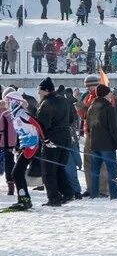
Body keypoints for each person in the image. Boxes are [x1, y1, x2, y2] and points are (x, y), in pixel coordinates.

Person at [35, 77, 73, 206]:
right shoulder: (64, 100)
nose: (38, 93)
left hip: (51, 140)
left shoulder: (46, 103)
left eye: (40, 91)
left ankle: (54, 198)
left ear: (46, 90)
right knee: (60, 168)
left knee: (48, 171)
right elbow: (72, 118)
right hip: (66, 139)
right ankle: (67, 193)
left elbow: (41, 125)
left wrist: (44, 139)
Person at [2, 91, 42, 211]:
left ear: (15, 101)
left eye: (8, 101)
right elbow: (21, 132)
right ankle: (24, 199)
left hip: (31, 145)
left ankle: (24, 199)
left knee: (16, 173)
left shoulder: (21, 113)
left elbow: (37, 124)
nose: (7, 104)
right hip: (26, 145)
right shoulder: (15, 114)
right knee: (17, 173)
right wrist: (17, 146)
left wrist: (45, 140)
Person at [86, 84, 117, 200]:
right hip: (107, 145)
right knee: (112, 170)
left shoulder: (91, 107)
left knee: (95, 170)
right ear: (105, 94)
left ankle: (94, 193)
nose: (111, 94)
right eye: (109, 92)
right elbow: (113, 128)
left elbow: (88, 127)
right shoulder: (108, 108)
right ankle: (114, 194)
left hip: (94, 143)